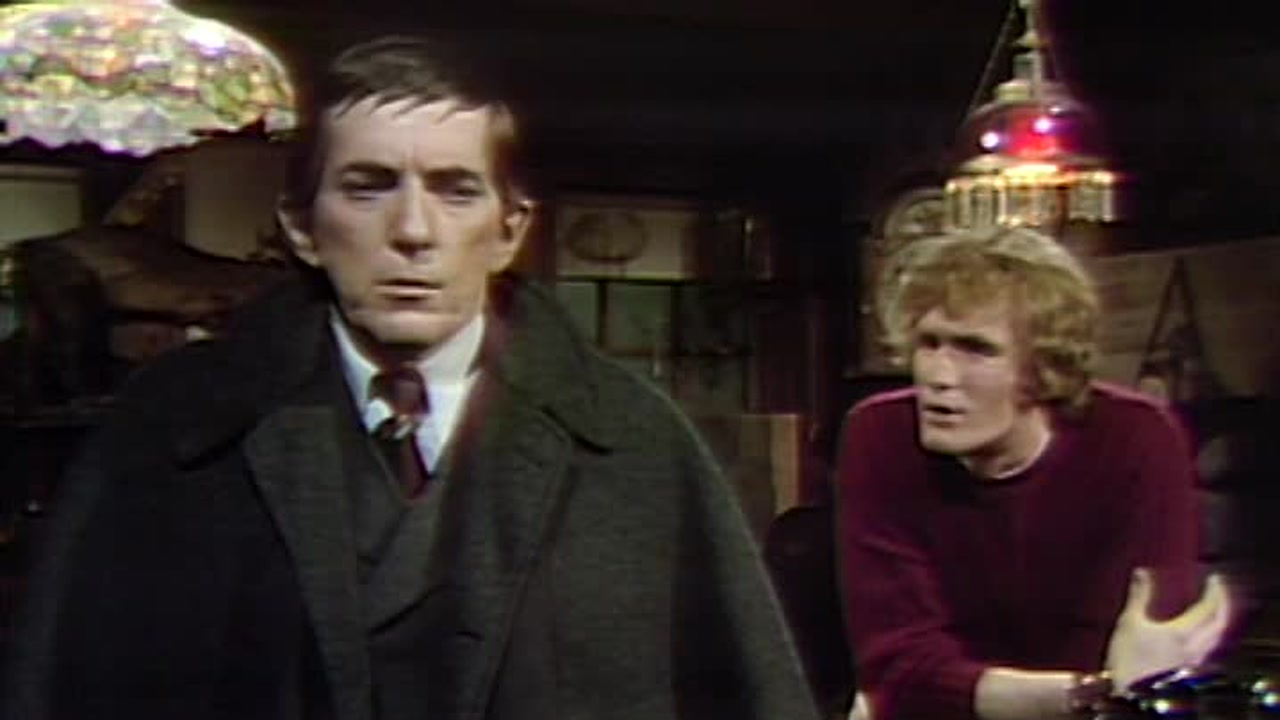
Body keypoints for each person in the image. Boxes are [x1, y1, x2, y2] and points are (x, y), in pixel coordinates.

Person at [4, 35, 819, 720]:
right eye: (369, 188)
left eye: (455, 191)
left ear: (509, 230)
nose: (413, 231)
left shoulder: (633, 444)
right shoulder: (172, 432)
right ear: (302, 227)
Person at [836, 227, 1232, 720]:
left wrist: (1111, 690)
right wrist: (1091, 694)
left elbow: (1152, 657)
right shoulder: (879, 434)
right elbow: (897, 672)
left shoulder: (1136, 437)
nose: (939, 376)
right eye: (929, 343)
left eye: (975, 349)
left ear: (1043, 369)